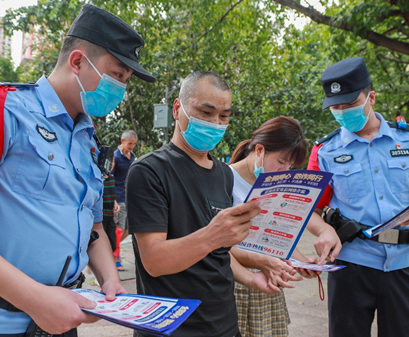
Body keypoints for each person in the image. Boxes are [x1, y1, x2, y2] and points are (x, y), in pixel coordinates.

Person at [0, 4, 155, 336]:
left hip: (60, 321)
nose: (120, 89)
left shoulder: (89, 142)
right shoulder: (1, 107)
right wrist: (35, 299)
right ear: (78, 61)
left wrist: (110, 279)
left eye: (125, 81)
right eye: (116, 75)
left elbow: (93, 224)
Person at [126, 71, 295, 337]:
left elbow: (220, 252)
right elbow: (154, 260)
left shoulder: (223, 174)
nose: (215, 122)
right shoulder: (148, 171)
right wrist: (213, 235)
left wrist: (254, 274)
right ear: (177, 109)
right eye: (206, 113)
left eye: (224, 116)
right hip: (171, 327)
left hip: (224, 324)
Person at [307, 57, 409, 337]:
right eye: (336, 107)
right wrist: (324, 231)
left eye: (350, 104)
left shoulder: (408, 141)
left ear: (371, 97)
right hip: (351, 266)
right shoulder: (324, 151)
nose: (343, 112)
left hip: (405, 263)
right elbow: (310, 209)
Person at [228, 116, 319, 337]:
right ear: (260, 150)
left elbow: (279, 235)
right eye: (281, 162)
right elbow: (218, 245)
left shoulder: (278, 185)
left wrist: (301, 262)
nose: (285, 170)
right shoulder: (224, 179)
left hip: (268, 285)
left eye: (290, 165)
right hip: (235, 285)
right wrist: (260, 262)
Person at [111, 129, 137, 271]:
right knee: (119, 229)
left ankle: (111, 250)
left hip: (129, 197)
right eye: (129, 143)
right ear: (122, 141)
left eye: (134, 144)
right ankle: (115, 257)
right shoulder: (115, 157)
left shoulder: (132, 156)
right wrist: (113, 199)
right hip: (118, 198)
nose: (132, 146)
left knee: (129, 227)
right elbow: (110, 179)